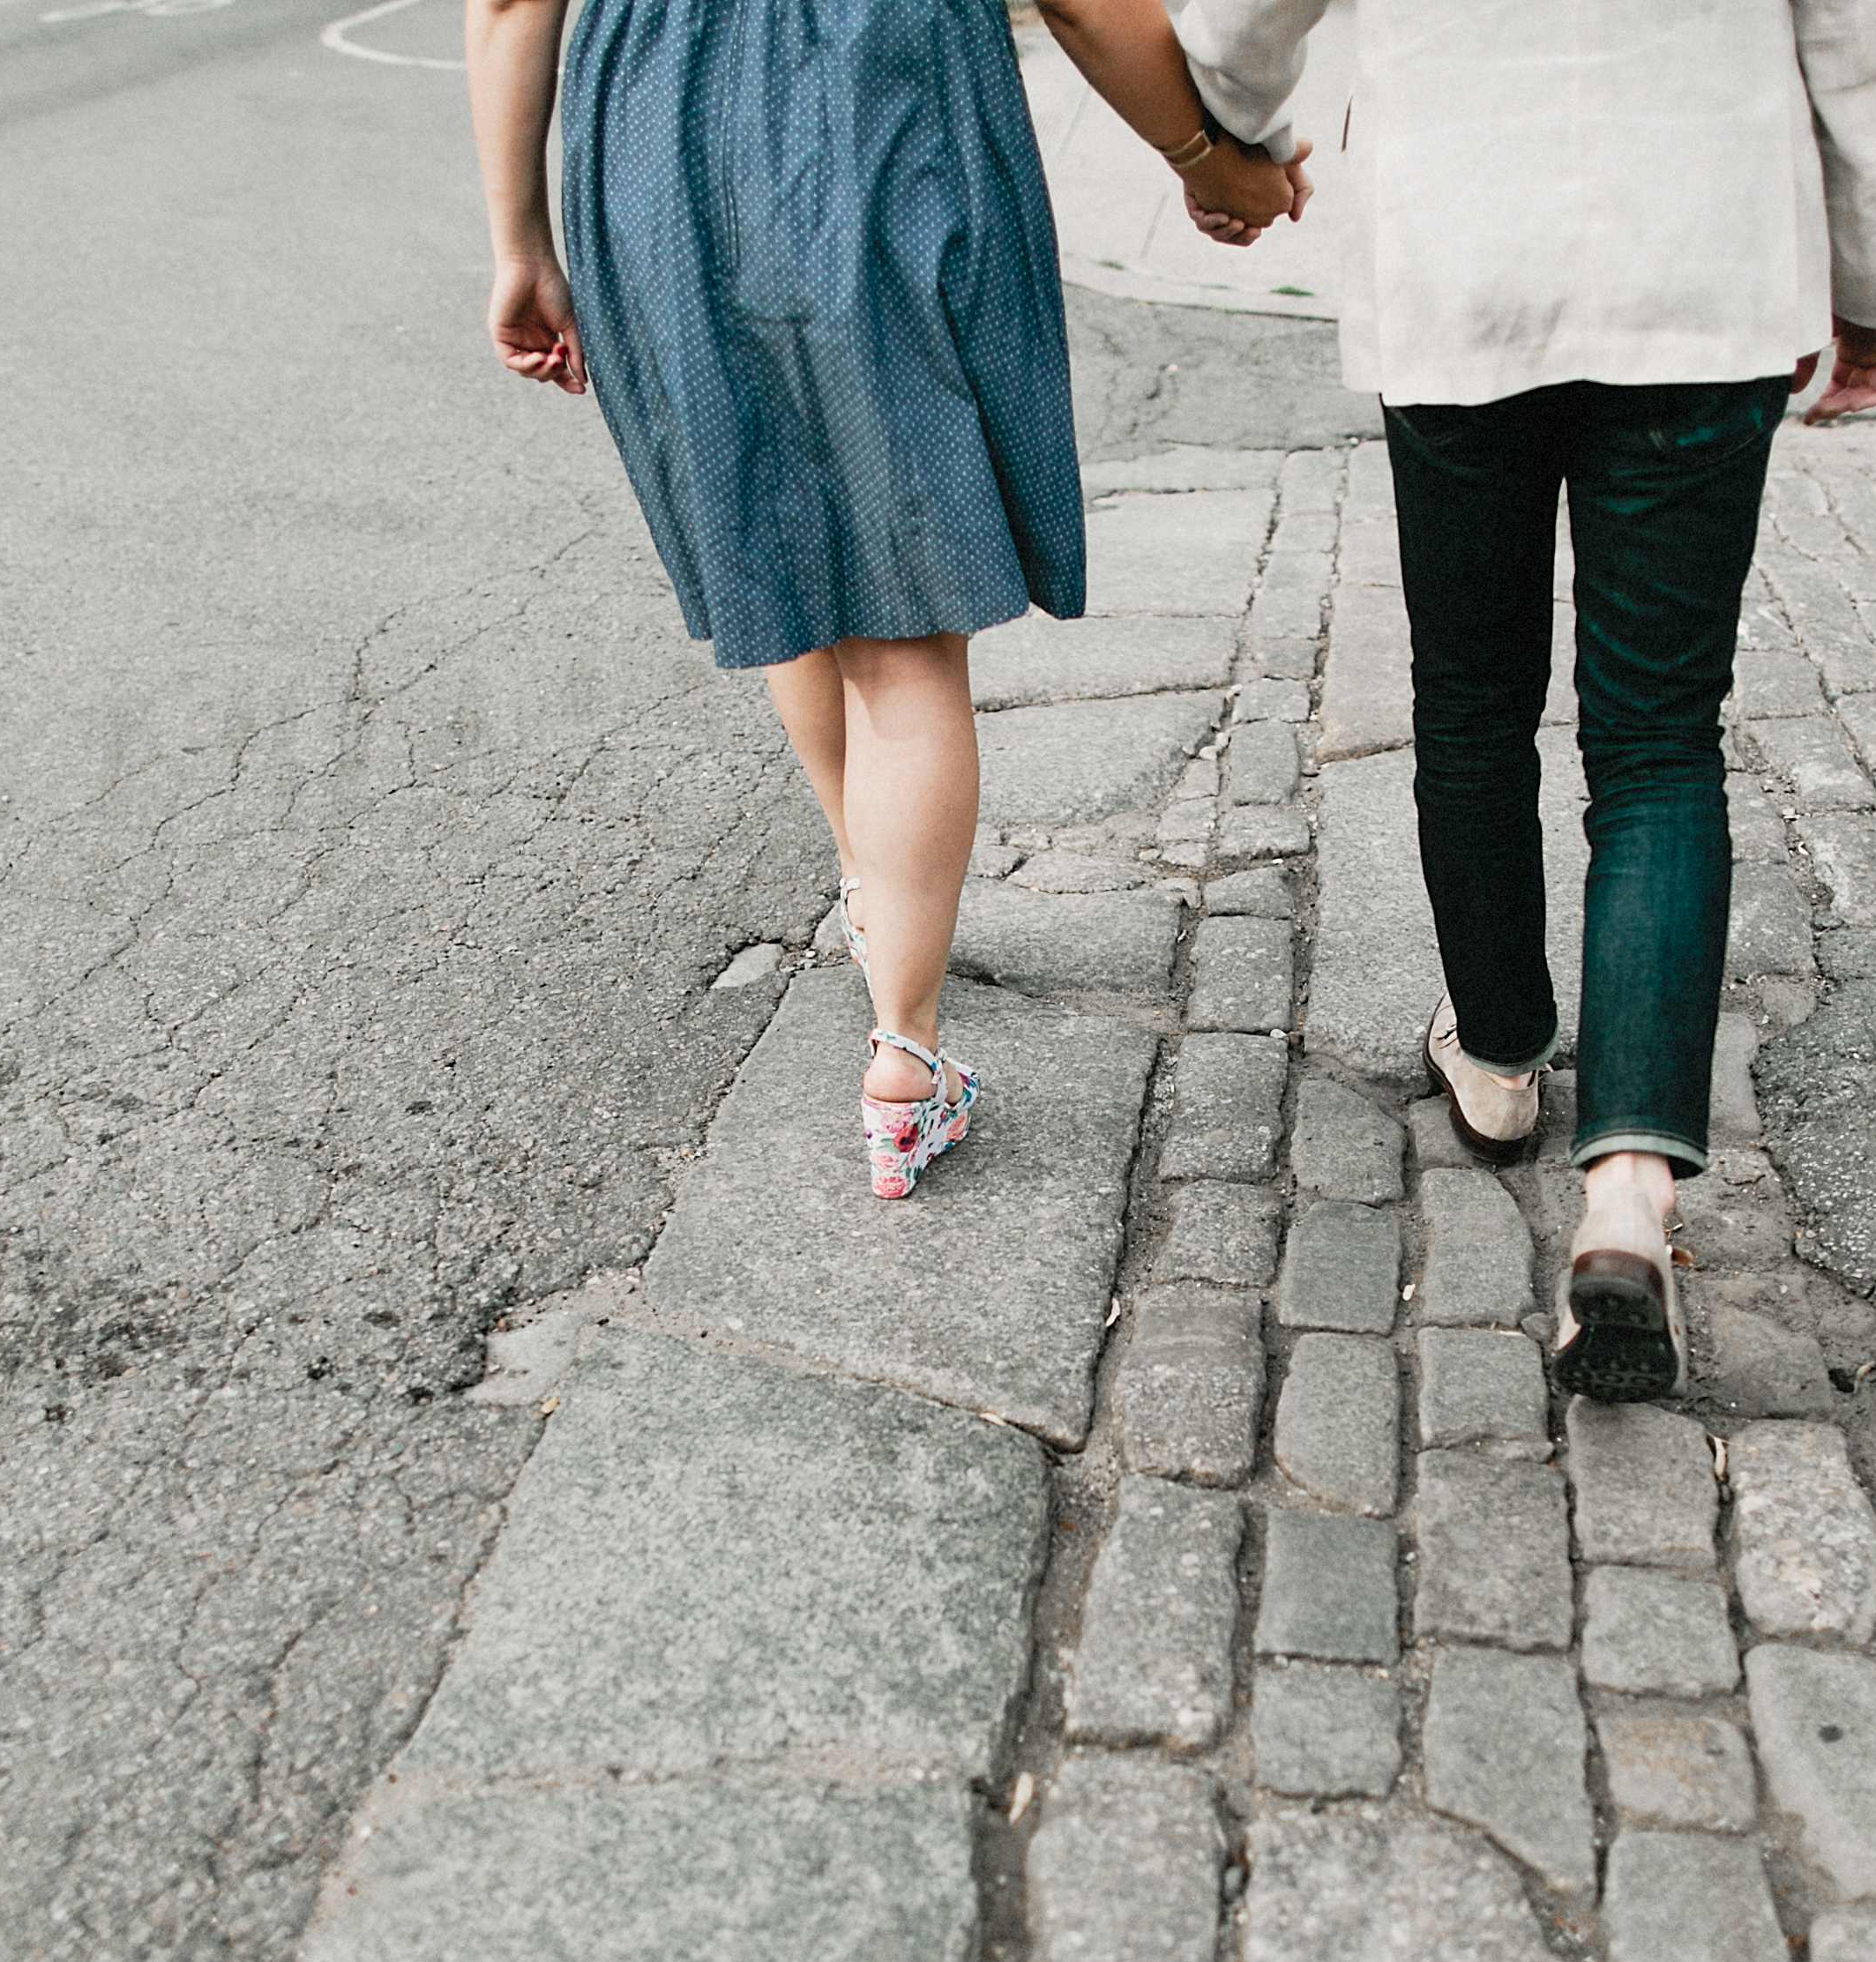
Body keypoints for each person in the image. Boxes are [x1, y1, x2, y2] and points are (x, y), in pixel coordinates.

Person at [1175, 0, 1876, 1397]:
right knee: (1657, 741)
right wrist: (1867, 280)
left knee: (1471, 700)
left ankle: (1503, 1057)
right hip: (1701, 262)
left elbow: (1237, 20)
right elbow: (1864, 47)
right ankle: (1631, 1195)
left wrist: (1244, 138)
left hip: (1464, 251)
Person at [465, 0, 1307, 1197]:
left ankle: (878, 890)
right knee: (904, 627)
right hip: (885, 112)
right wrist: (1209, 157)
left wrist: (520, 241)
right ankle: (903, 1053)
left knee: (774, 531)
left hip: (657, 128)